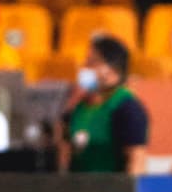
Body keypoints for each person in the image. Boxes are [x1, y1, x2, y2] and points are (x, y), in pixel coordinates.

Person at [62, 36, 149, 174]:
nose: (85, 68)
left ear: (112, 69)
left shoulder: (127, 108)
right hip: (78, 185)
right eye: (86, 62)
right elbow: (66, 154)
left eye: (92, 62)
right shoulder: (79, 107)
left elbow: (136, 161)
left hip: (111, 185)